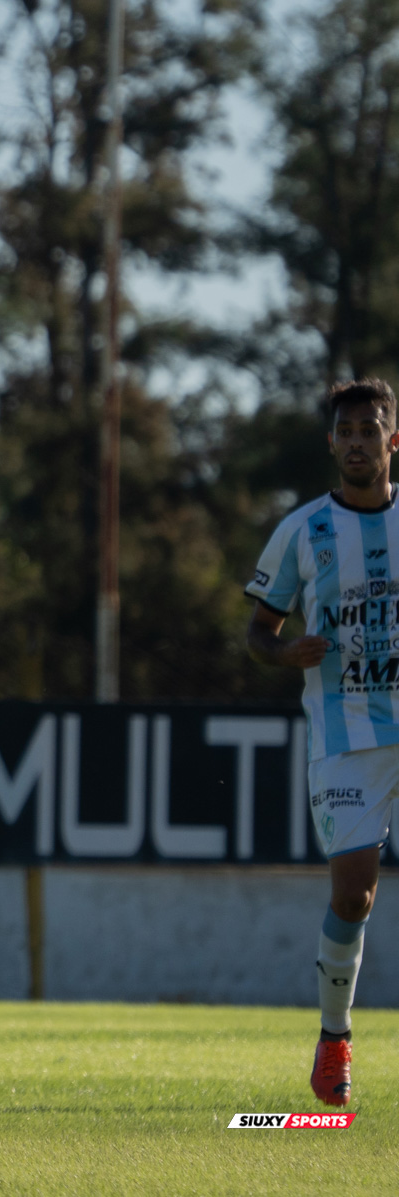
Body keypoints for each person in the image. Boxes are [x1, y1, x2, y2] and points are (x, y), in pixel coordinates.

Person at [246, 376, 399, 1109]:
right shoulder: (302, 530)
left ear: (392, 439)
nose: (360, 442)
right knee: (354, 892)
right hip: (346, 734)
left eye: (373, 429)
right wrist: (283, 654)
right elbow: (257, 629)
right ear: (332, 443)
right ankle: (334, 1040)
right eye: (349, 432)